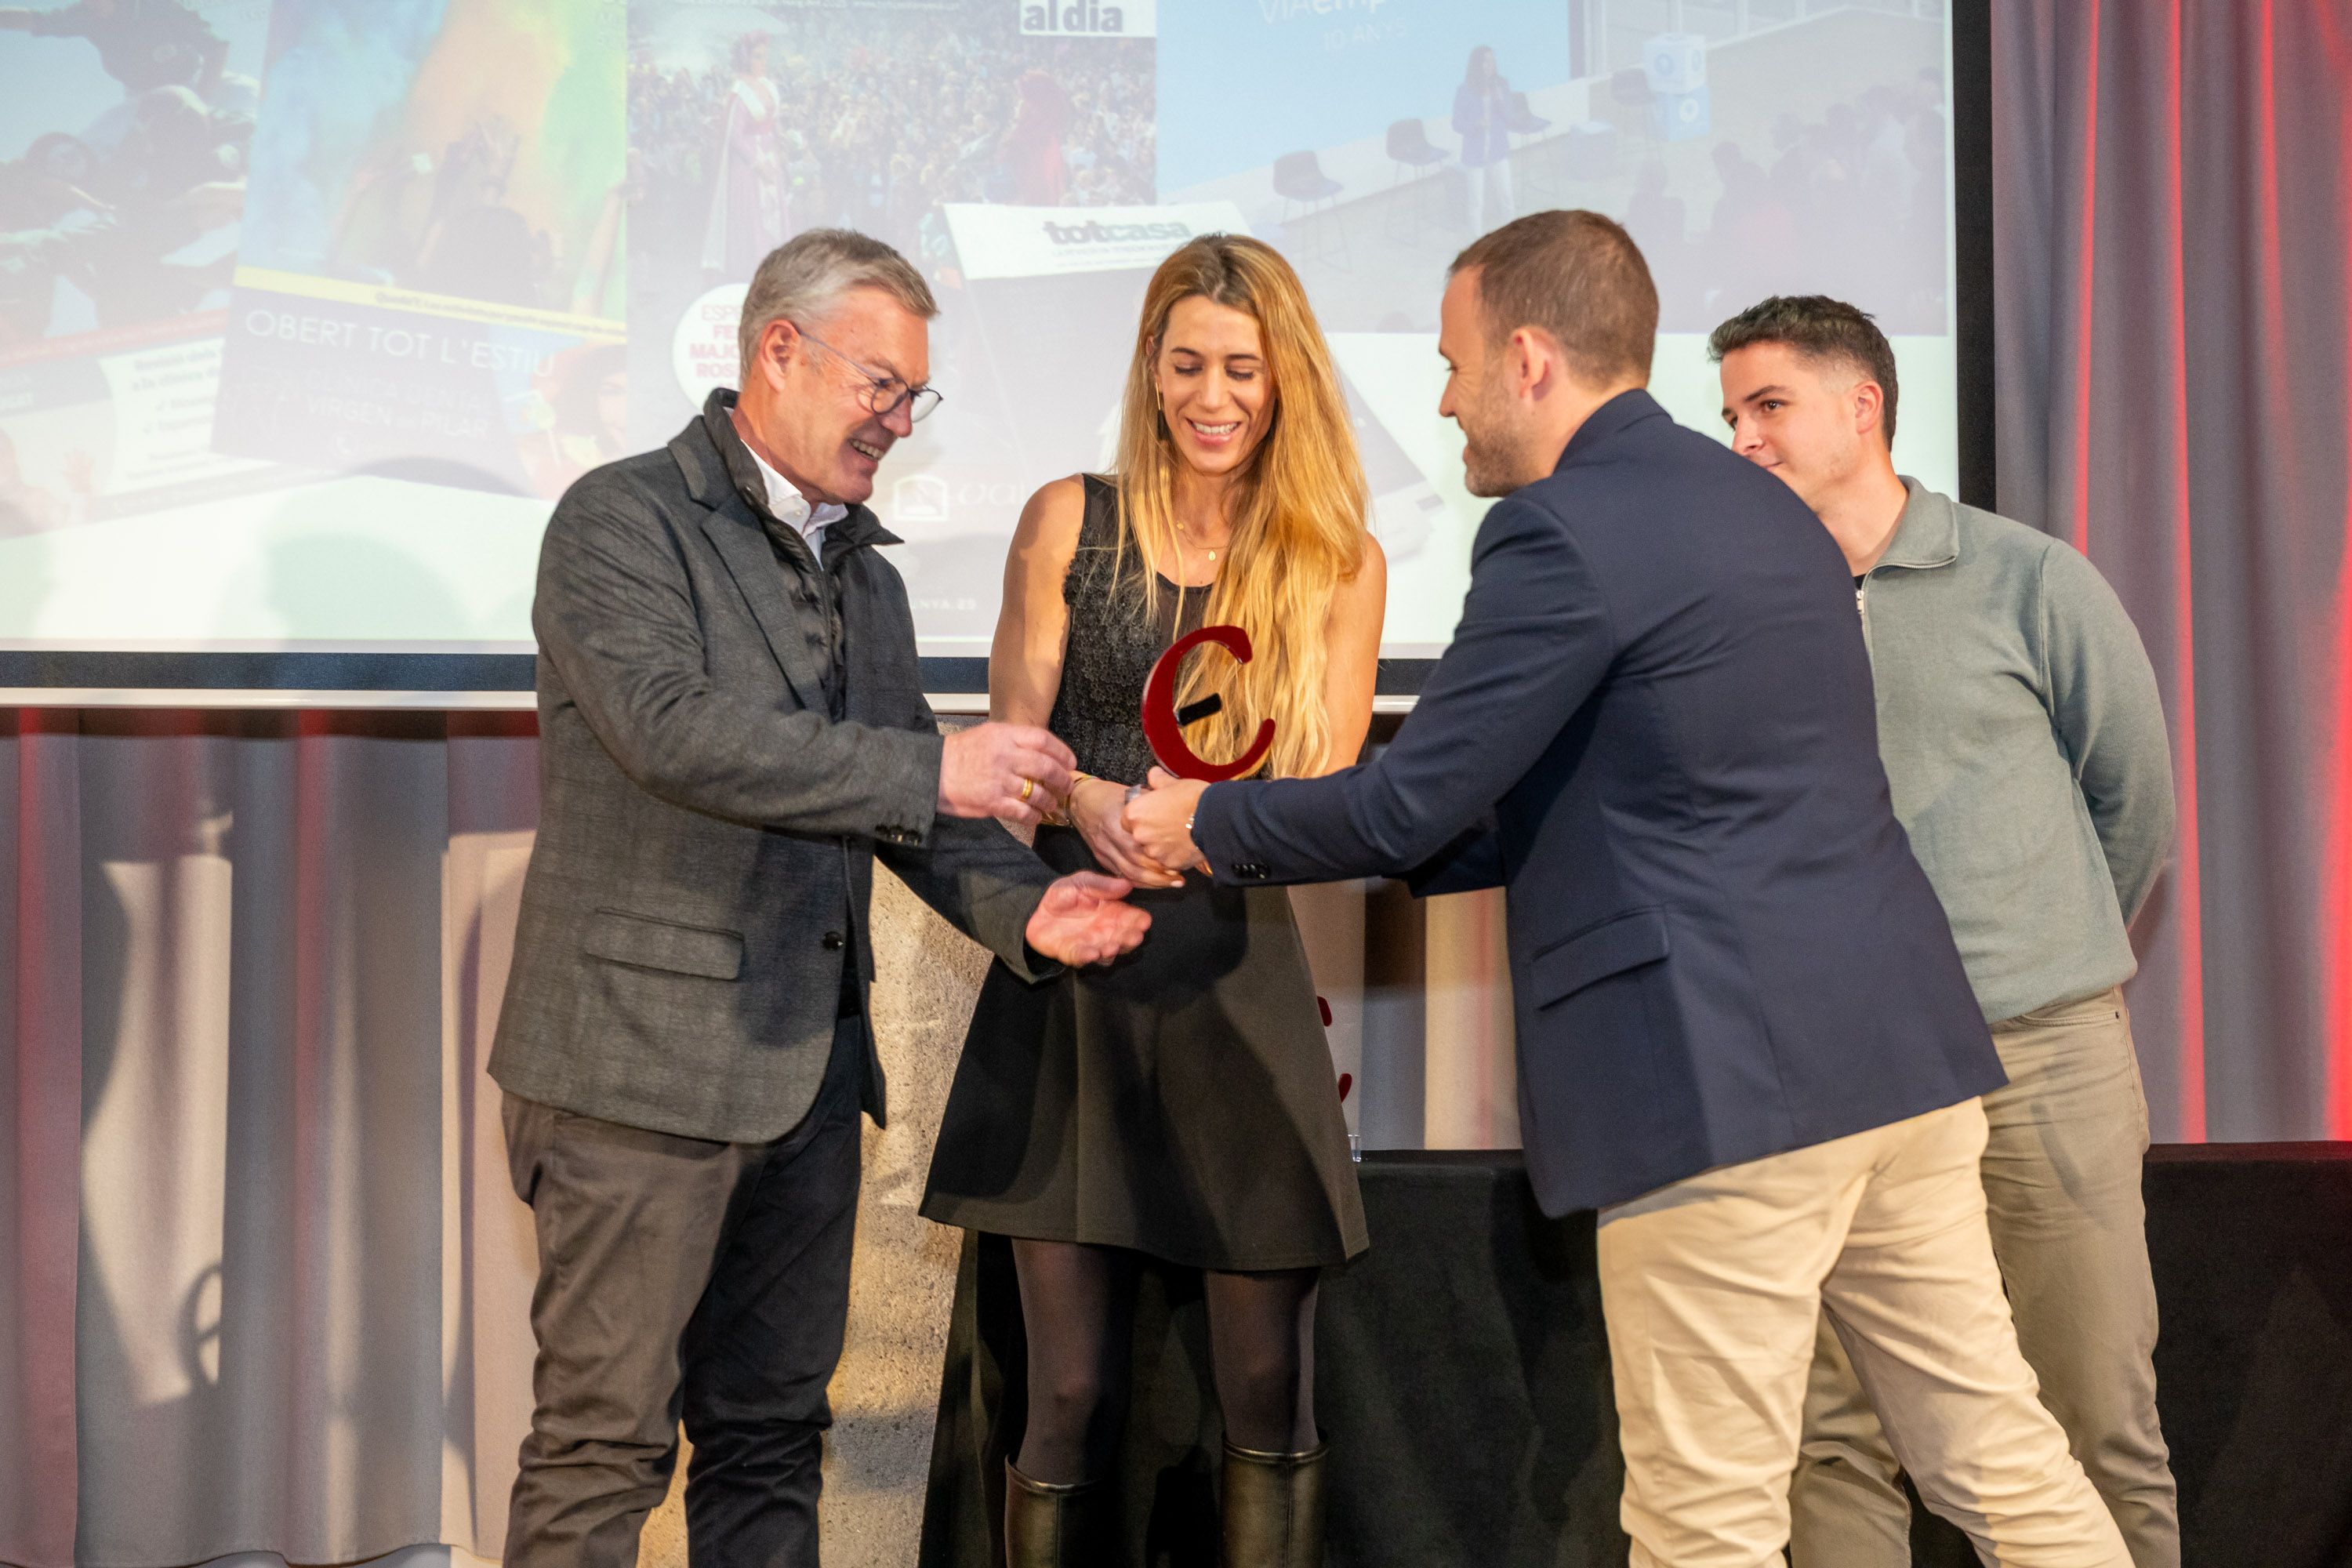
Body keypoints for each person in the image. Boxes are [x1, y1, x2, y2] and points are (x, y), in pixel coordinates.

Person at [1126, 210, 2135, 1568]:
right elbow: (1594, 798)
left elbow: (1415, 797)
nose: (1443, 397)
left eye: (1454, 362)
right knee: (2000, 1461)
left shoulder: (1559, 532)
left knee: (1700, 1522)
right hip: (1900, 1063)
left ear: (1529, 359)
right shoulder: (1765, 509)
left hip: (1724, 1086)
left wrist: (1206, 822)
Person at [487, 229, 1151, 1567]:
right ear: (777, 353)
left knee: (775, 1438)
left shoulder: (873, 574)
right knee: (603, 1449)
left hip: (805, 1082)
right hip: (635, 1076)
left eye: (917, 397)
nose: (901, 424)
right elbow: (677, 733)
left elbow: (903, 800)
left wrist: (1026, 911)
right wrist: (937, 767)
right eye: (881, 386)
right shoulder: (620, 520)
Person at [920, 232, 1385, 1566]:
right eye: (1187, 363)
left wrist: (1210, 826)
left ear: (1285, 377)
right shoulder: (1069, 516)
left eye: (1242, 367)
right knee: (1061, 1391)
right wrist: (1094, 807)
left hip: (1231, 974)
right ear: (1150, 367)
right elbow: (1013, 756)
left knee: (1263, 1389)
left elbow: (1332, 791)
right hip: (1074, 964)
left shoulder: (1340, 561)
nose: (1213, 395)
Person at [1712, 295, 2180, 1568]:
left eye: (1769, 407)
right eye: (1730, 416)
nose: (1742, 440)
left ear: (1863, 406)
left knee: (2091, 1417)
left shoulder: (2029, 578)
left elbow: (2129, 804)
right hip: (1832, 1075)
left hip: (2039, 1059)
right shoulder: (1737, 614)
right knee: (1833, 1442)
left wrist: (2026, 958)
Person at [702, 31, 786, 278]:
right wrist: (758, 163)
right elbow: (735, 136)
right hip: (749, 167)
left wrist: (780, 148)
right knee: (752, 218)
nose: (763, 62)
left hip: (770, 158)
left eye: (765, 56)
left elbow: (774, 122)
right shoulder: (739, 92)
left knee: (773, 214)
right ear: (746, 59)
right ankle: (750, 272)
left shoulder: (768, 85)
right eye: (758, 57)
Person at [1452, 45, 1515, 236]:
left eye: (1493, 60)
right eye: (1486, 61)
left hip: (1498, 150)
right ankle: (1476, 243)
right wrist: (1475, 125)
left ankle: (1512, 239)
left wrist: (1500, 101)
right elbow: (1456, 123)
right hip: (1475, 153)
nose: (1490, 65)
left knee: (1506, 197)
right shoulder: (1465, 90)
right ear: (1477, 64)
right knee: (1476, 202)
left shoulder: (1501, 85)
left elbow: (1510, 117)